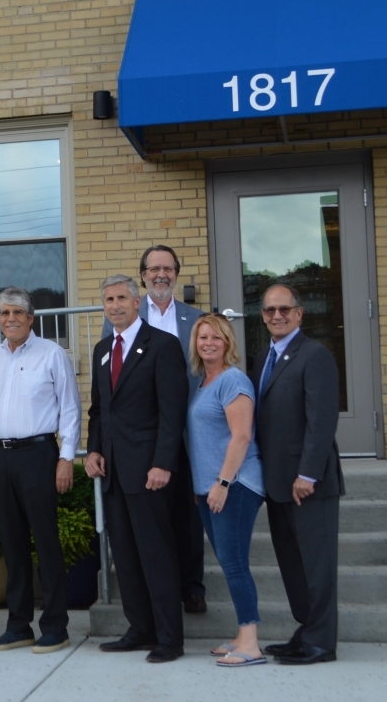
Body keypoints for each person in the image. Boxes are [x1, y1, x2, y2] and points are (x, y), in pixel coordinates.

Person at [87, 274, 188, 663]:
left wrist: (163, 462)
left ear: (136, 302)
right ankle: (140, 628)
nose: (114, 305)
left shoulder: (162, 346)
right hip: (112, 471)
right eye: (108, 299)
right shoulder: (100, 349)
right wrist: (94, 450)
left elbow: (172, 412)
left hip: (149, 471)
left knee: (156, 554)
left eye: (121, 299)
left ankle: (169, 638)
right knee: (125, 556)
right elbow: (100, 411)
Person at [102, 245, 207, 614]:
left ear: (176, 273)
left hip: (189, 428)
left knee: (187, 510)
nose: (161, 274)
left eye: (168, 268)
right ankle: (156, 592)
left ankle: (192, 586)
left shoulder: (195, 318)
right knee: (152, 521)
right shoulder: (124, 314)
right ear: (143, 275)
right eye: (153, 269)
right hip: (145, 436)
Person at [0, 287, 80, 655]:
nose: (10, 319)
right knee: (12, 543)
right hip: (0, 458)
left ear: (31, 318)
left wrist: (66, 457)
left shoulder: (52, 354)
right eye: (4, 313)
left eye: (17, 313)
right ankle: (18, 625)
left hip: (39, 455)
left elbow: (69, 408)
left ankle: (55, 625)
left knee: (46, 540)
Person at [250, 285, 343, 665]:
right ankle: (306, 630)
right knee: (293, 565)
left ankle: (321, 643)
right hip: (276, 483)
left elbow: (322, 423)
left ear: (299, 313)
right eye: (270, 310)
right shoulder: (261, 359)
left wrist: (308, 473)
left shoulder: (315, 355)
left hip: (308, 484)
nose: (277, 315)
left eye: (284, 309)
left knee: (317, 566)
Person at [186, 315, 265, 667]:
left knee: (234, 563)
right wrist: (202, 486)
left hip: (236, 485)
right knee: (229, 560)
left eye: (216, 337)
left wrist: (221, 483)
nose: (209, 343)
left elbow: (242, 436)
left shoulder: (233, 380)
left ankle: (250, 643)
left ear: (228, 342)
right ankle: (241, 634)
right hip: (208, 487)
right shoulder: (204, 382)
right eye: (203, 337)